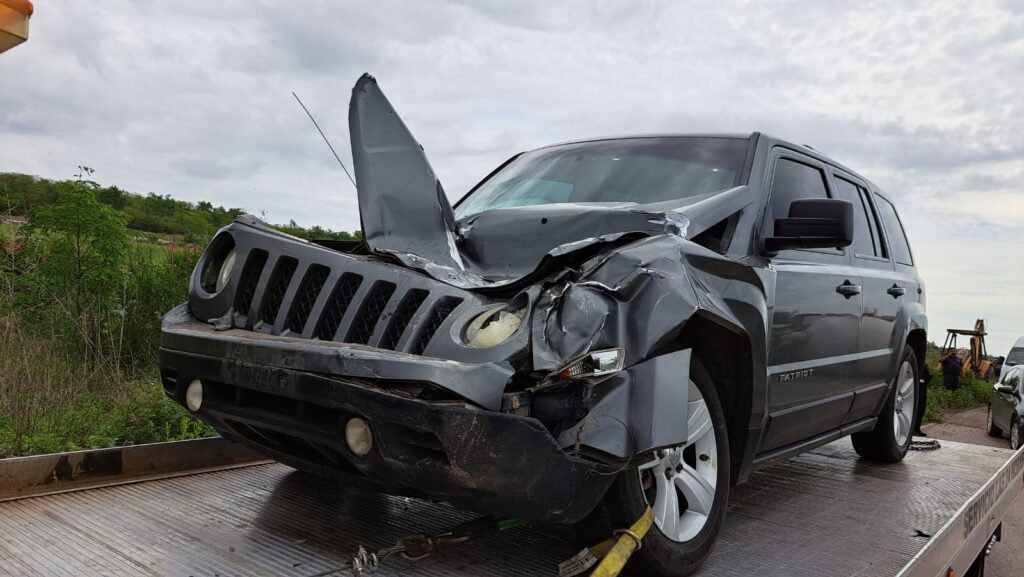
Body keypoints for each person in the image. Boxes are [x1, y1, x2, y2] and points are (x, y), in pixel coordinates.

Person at [913, 363, 930, 437]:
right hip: (915, 387)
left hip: (923, 388)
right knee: (915, 409)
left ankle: (917, 429)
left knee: (921, 409)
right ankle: (912, 429)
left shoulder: (924, 365)